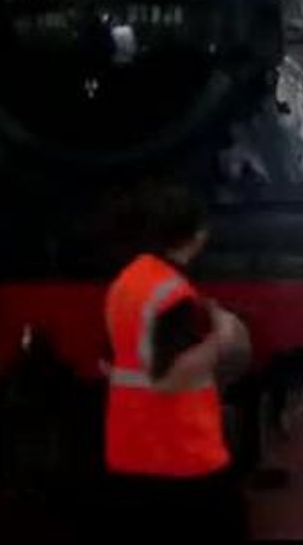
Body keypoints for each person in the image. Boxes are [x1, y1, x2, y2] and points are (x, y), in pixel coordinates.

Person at [101, 181, 250, 543]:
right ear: (197, 235)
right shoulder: (173, 292)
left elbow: (117, 362)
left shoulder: (127, 280)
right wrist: (222, 337)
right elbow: (169, 376)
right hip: (183, 456)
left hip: (129, 452)